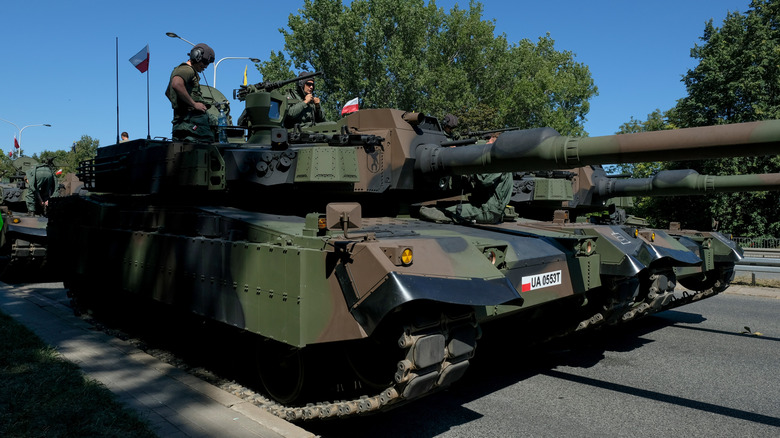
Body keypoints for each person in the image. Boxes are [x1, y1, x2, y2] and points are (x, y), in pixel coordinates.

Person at [419, 132, 512, 224]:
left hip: (489, 211)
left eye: (490, 144)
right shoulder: (502, 161)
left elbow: (484, 180)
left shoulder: (500, 163)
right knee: (445, 206)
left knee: (442, 212)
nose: (486, 145)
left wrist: (470, 160)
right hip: (487, 207)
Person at [165, 43, 216, 142]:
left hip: (181, 124)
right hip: (193, 125)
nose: (205, 67)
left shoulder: (180, 70)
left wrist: (181, 107)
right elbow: (176, 84)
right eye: (205, 63)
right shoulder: (187, 70)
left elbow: (168, 93)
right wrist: (194, 104)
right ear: (197, 56)